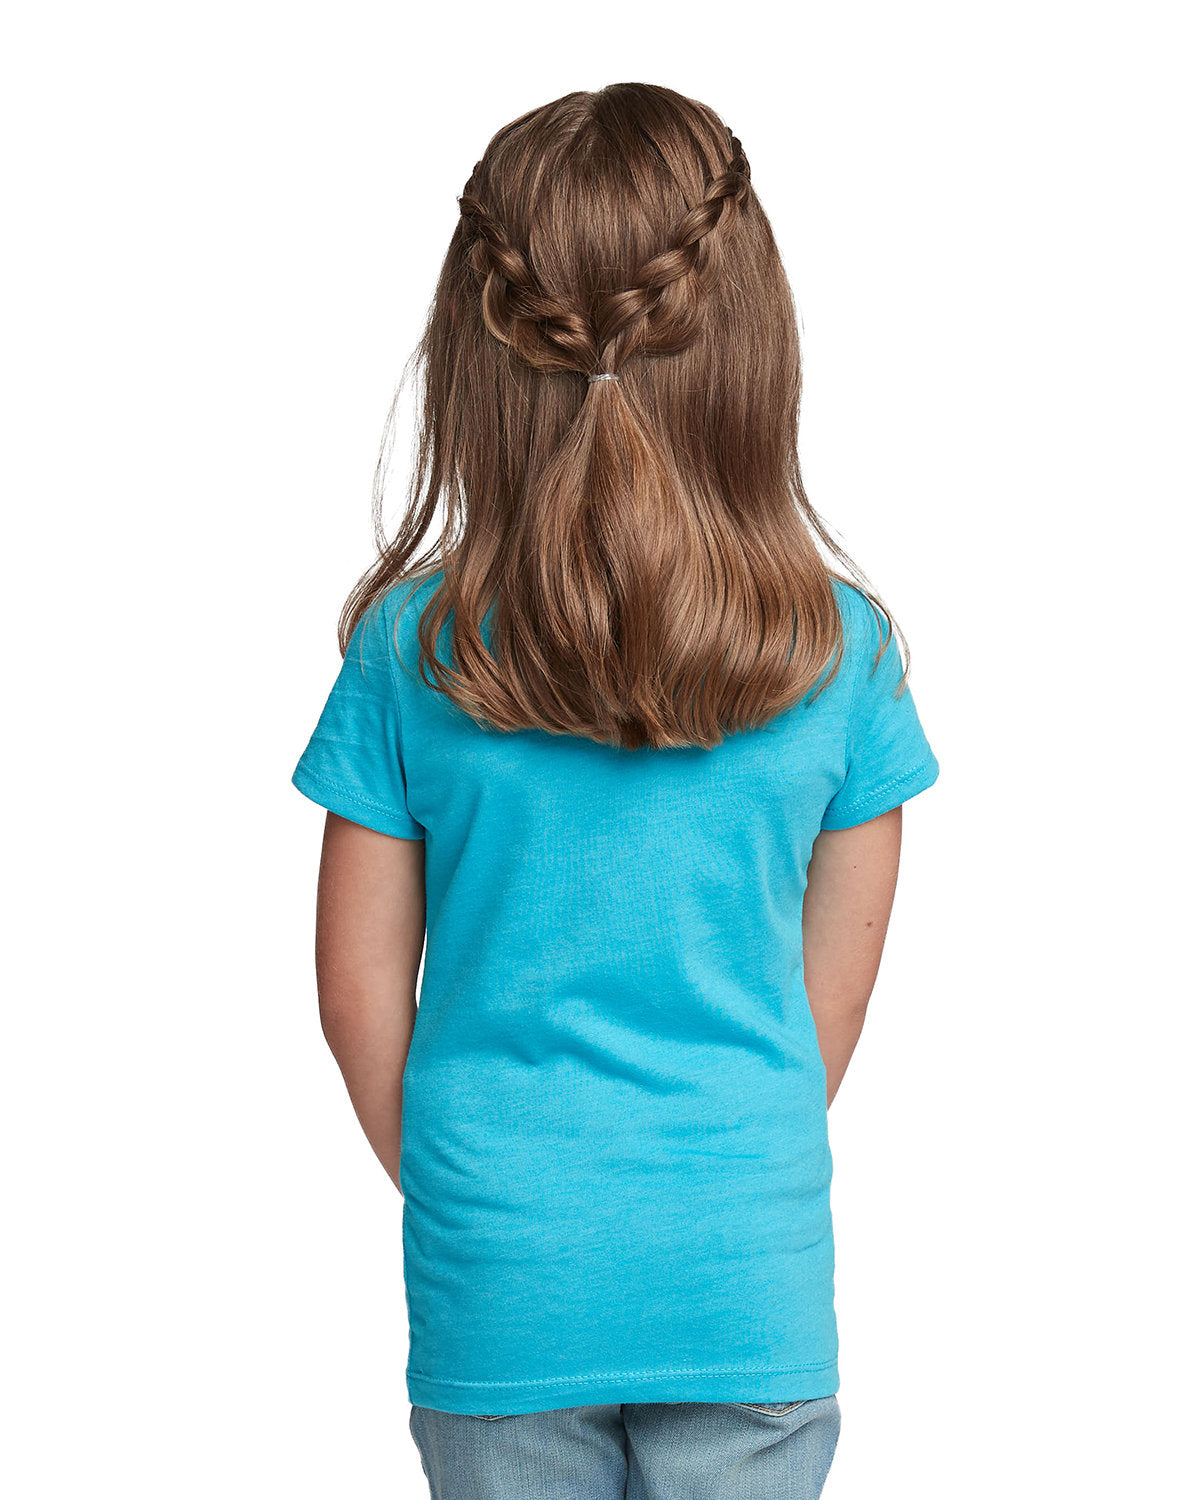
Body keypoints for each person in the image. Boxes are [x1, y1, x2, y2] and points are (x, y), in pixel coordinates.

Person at [292, 81, 939, 1500]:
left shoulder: (410, 652)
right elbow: (828, 1007)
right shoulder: (844, 655)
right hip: (746, 1271)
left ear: (475, 354)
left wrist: (495, 1202)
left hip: (501, 1271)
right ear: (755, 346)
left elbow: (355, 995)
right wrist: (710, 1174)